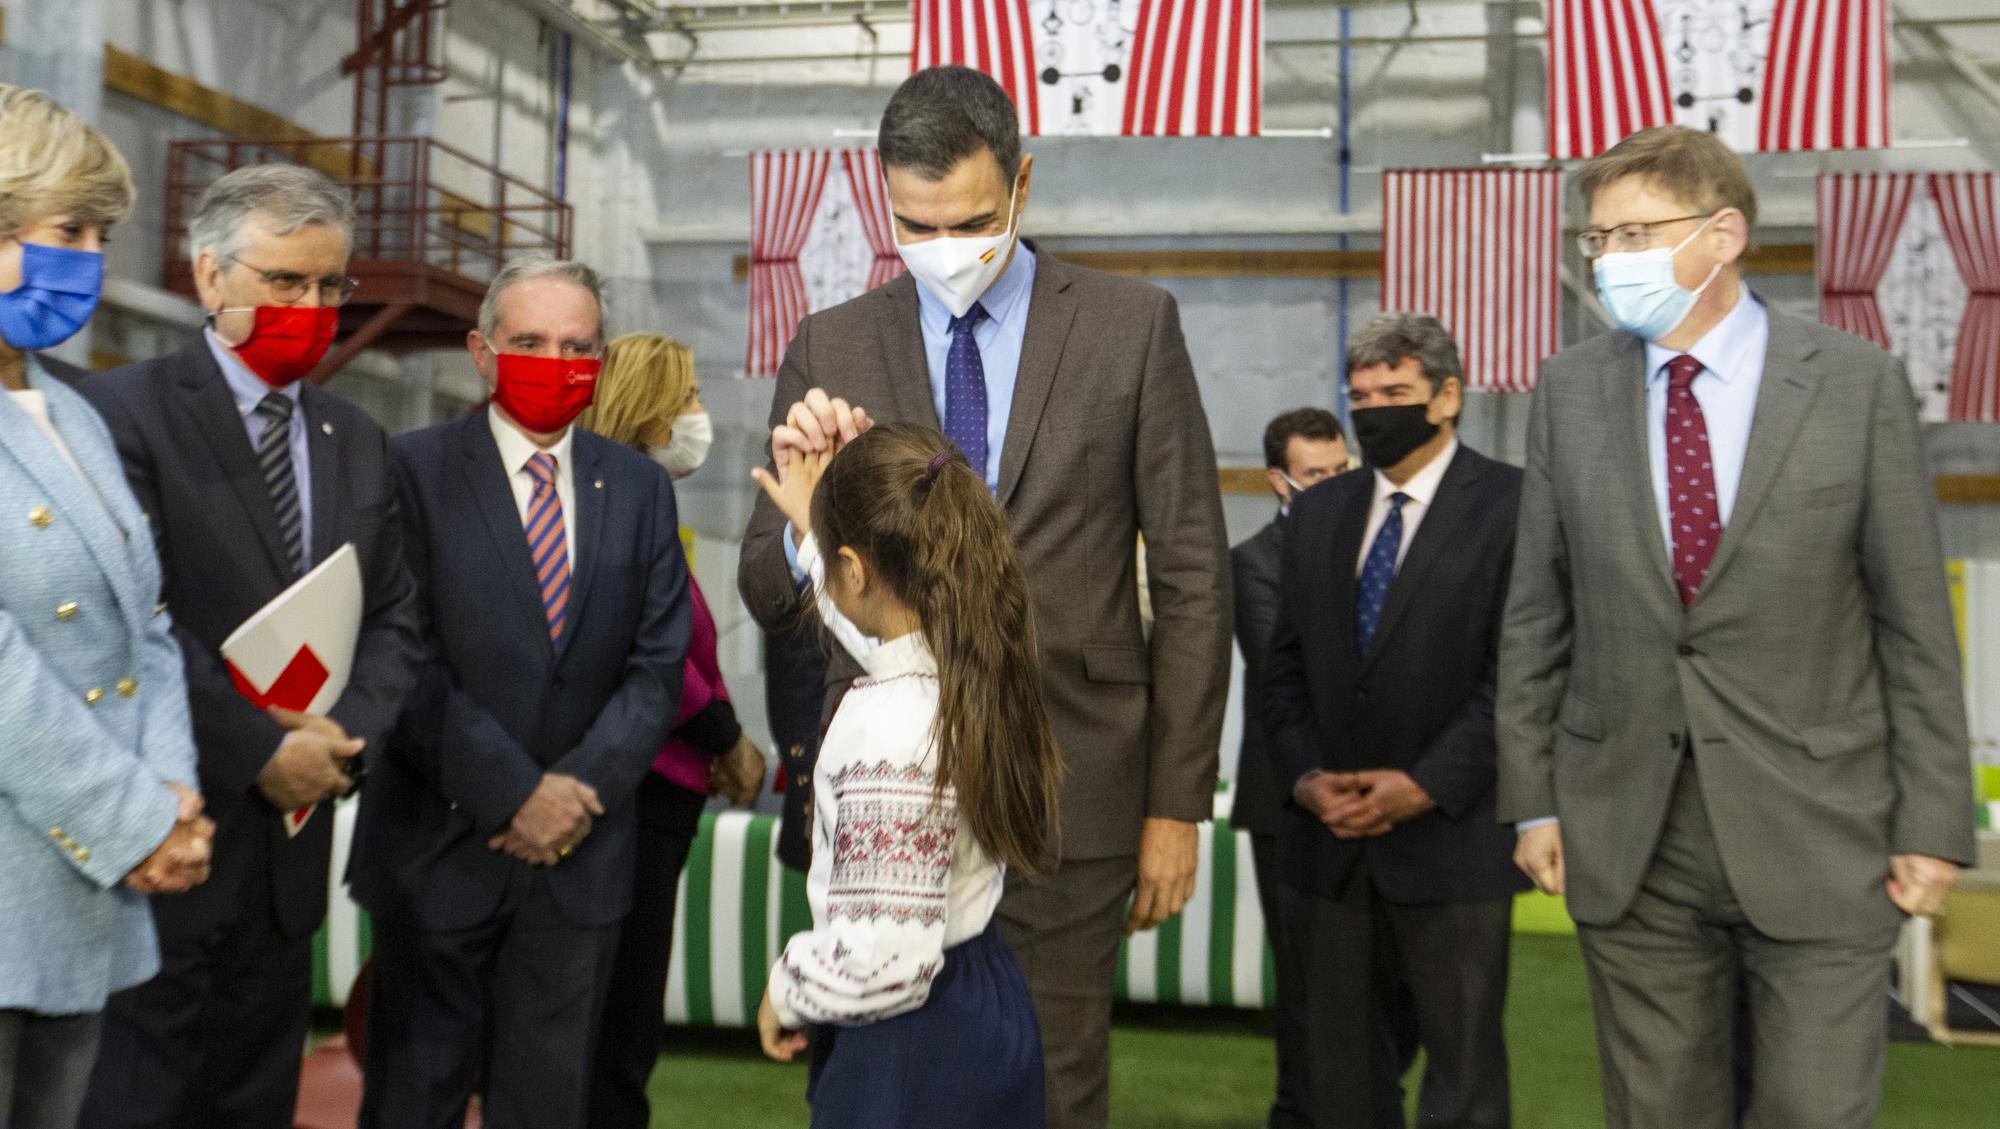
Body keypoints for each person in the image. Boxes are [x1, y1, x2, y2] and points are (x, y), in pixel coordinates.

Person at [736, 66, 1232, 1129]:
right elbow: (766, 587)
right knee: (892, 1092)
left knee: (1054, 1089)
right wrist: (805, 515)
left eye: (969, 220)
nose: (943, 246)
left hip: (1074, 785)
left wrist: (1175, 804)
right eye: (915, 226)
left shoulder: (1129, 327)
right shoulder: (831, 343)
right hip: (889, 805)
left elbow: (1193, 575)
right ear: (883, 199)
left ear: (1021, 185)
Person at [1497, 126, 1976, 1129]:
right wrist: (1533, 801)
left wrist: (1932, 821)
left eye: (1634, 232)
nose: (1610, 259)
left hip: (1822, 828)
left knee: (1809, 1109)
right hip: (1628, 830)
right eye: (1596, 239)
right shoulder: (1568, 392)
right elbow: (1537, 614)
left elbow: (1913, 627)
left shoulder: (1854, 386)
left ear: (1722, 235)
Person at [75, 164, 419, 1129]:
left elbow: (396, 618)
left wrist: (341, 739)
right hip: (161, 848)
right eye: (285, 282)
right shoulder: (120, 414)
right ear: (210, 275)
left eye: (329, 286)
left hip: (286, 867)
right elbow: (129, 619)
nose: (311, 307)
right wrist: (259, 750)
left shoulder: (357, 437)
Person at [352, 257, 691, 1129]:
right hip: (437, 850)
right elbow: (402, 655)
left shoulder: (642, 488)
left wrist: (574, 796)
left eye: (577, 345)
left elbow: (656, 668)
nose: (556, 359)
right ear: (482, 350)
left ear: (602, 359)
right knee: (411, 1103)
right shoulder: (411, 468)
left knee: (549, 1107)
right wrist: (516, 793)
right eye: (531, 342)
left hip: (579, 861)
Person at [0, 82, 213, 1129]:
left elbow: (149, 626)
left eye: (101, 234)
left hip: (80, 900)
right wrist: (134, 819)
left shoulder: (72, 411)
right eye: (69, 229)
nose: (89, 259)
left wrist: (171, 796)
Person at [752, 422, 1060, 1129]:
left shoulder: (887, 724)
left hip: (910, 1038)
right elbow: (872, 628)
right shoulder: (973, 665)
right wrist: (813, 527)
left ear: (855, 569)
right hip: (979, 1002)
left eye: (833, 560)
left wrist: (788, 987)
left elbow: (887, 954)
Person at [1264, 314, 1526, 1129]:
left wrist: (1424, 784)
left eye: (1396, 393)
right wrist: (1308, 777)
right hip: (1331, 844)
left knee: (1464, 1078)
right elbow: (1284, 668)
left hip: (1453, 840)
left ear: (1447, 397)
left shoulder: (1516, 504)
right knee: (1337, 1078)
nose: (1373, 409)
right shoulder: (1320, 512)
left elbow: (1519, 675)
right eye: (1362, 394)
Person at [577, 331, 766, 1129]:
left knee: (627, 1019)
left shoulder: (638, 502)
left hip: (670, 785)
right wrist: (727, 736)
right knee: (617, 1025)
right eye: (686, 396)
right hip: (641, 786)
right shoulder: (611, 501)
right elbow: (652, 650)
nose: (699, 414)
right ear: (648, 404)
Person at [1230, 406, 1347, 1129]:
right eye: (1316, 476)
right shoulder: (1254, 561)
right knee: (1306, 983)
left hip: (1379, 796)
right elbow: (1287, 670)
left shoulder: (1383, 541)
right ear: (1280, 480)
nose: (1334, 485)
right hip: (1286, 802)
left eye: (1342, 471)